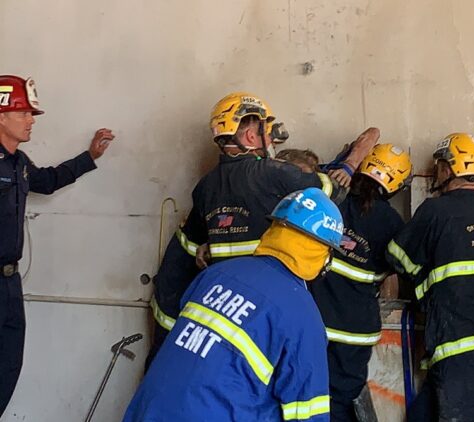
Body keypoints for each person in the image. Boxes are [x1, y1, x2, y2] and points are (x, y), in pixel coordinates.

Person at [144, 92, 376, 368]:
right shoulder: (272, 174)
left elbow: (196, 246)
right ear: (252, 137)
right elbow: (329, 194)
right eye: (265, 129)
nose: (271, 137)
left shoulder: (206, 186)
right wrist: (351, 163)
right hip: (264, 304)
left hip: (222, 308)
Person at [123, 188, 342, 422]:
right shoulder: (303, 315)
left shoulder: (217, 273)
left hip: (145, 413)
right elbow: (308, 416)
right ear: (324, 253)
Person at [0, 75, 114, 416]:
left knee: (8, 366)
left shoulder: (18, 163)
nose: (31, 121)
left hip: (8, 283)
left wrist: (89, 157)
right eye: (23, 113)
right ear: (1, 116)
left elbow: (47, 182)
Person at [387, 133, 474, 422]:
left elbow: (395, 255)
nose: (435, 172)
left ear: (449, 169)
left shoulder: (436, 209)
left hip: (462, 346)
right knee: (420, 419)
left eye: (439, 165)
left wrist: (418, 277)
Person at [310, 143, 411, 422]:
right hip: (356, 330)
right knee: (341, 402)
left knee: (309, 395)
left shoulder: (334, 199)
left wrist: (349, 161)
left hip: (316, 320)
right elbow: (401, 268)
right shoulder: (392, 223)